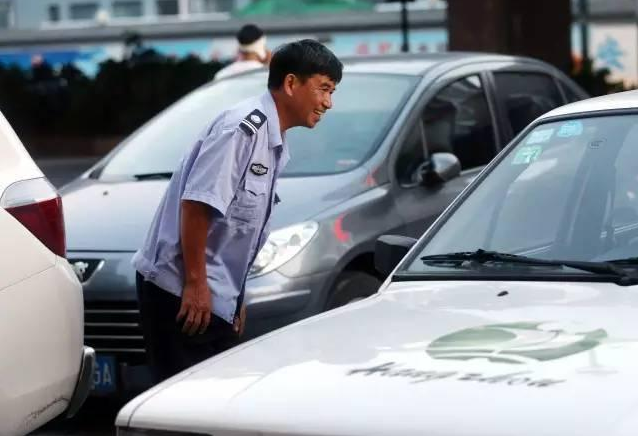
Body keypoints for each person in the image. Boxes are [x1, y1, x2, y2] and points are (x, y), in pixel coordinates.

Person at [132, 39, 343, 383]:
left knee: (215, 400)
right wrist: (198, 285)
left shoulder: (272, 140)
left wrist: (234, 297)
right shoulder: (243, 130)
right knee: (184, 405)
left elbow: (238, 230)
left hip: (213, 293)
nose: (328, 103)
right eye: (324, 89)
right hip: (179, 289)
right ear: (291, 84)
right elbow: (198, 206)